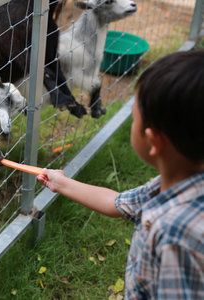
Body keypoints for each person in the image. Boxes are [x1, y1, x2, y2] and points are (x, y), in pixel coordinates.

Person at [37, 50, 204, 299]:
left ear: (154, 140)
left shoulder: (175, 235)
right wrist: (61, 183)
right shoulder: (172, 186)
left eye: (134, 118)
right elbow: (116, 203)